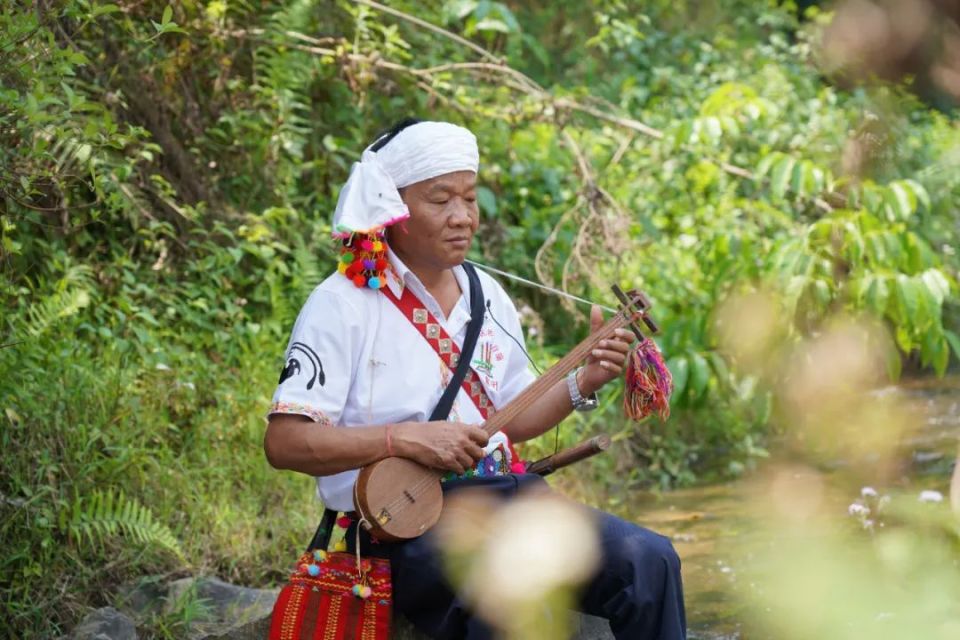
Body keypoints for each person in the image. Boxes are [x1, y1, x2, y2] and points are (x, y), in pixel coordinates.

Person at [263, 119, 686, 640]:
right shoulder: (342, 303)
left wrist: (587, 378)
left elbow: (513, 416)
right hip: (404, 525)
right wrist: (403, 438)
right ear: (392, 208)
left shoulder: (484, 294)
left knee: (649, 560)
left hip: (509, 498)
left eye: (469, 198)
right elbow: (284, 442)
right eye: (441, 200)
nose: (462, 217)